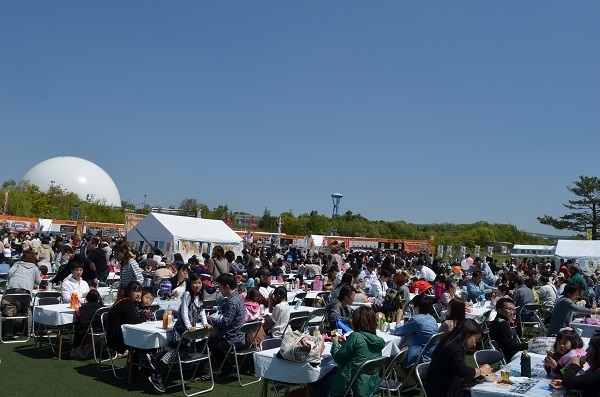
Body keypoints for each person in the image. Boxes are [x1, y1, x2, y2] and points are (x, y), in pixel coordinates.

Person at [148, 273, 212, 392]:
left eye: (199, 283)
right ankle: (157, 376)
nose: (197, 286)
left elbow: (202, 310)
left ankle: (157, 357)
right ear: (189, 284)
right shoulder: (187, 294)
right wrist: (188, 326)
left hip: (189, 331)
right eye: (194, 283)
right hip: (181, 329)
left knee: (183, 353)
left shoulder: (199, 296)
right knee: (174, 352)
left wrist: (205, 323)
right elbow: (184, 311)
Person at [314, 306, 385, 397]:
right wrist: (345, 344)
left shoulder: (355, 336)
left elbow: (338, 358)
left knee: (320, 381)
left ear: (358, 321)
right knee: (332, 371)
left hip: (352, 384)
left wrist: (335, 343)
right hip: (370, 385)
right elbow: (361, 353)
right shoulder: (378, 341)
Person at [426, 319, 493, 397]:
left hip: (442, 388)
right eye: (475, 339)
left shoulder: (450, 342)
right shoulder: (454, 348)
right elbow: (463, 371)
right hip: (443, 392)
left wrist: (478, 374)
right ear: (467, 334)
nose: (474, 344)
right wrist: (482, 371)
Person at [199, 273, 246, 378]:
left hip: (231, 340)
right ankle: (225, 367)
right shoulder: (237, 297)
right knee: (211, 342)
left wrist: (207, 319)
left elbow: (225, 322)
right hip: (239, 338)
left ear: (227, 287)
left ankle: (207, 373)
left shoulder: (231, 301)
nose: (219, 290)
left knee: (203, 342)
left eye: (220, 287)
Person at [394, 294, 439, 367]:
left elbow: (398, 332)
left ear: (417, 308)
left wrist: (398, 317)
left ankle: (408, 378)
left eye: (412, 306)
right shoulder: (432, 318)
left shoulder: (416, 320)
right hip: (431, 358)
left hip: (418, 361)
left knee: (391, 361)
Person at [106, 281, 145, 356]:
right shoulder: (127, 302)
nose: (138, 294)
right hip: (117, 338)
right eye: (135, 291)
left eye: (140, 291)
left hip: (115, 335)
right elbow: (133, 320)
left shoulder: (125, 300)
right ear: (129, 292)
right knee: (144, 339)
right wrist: (144, 320)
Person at [71, 289, 104, 358]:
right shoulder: (102, 308)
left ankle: (77, 349)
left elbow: (78, 319)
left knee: (77, 325)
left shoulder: (82, 309)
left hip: (87, 329)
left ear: (87, 298)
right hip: (102, 328)